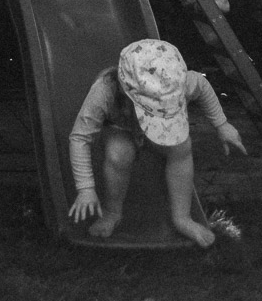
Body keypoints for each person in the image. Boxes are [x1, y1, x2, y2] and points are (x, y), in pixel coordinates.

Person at [68, 37, 246, 246]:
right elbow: (80, 137)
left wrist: (222, 124)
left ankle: (182, 218)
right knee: (118, 154)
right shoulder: (105, 90)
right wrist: (86, 189)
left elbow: (202, 85)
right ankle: (112, 213)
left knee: (182, 146)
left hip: (160, 129)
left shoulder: (179, 83)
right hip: (121, 129)